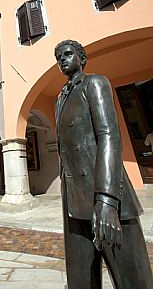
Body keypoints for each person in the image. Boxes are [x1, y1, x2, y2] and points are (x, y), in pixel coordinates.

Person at [54, 39, 153, 289]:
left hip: (107, 195)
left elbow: (109, 136)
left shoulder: (94, 82)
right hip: (73, 200)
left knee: (131, 278)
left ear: (81, 58)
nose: (62, 60)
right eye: (58, 57)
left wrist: (107, 200)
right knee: (81, 279)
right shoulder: (59, 99)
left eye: (67, 54)